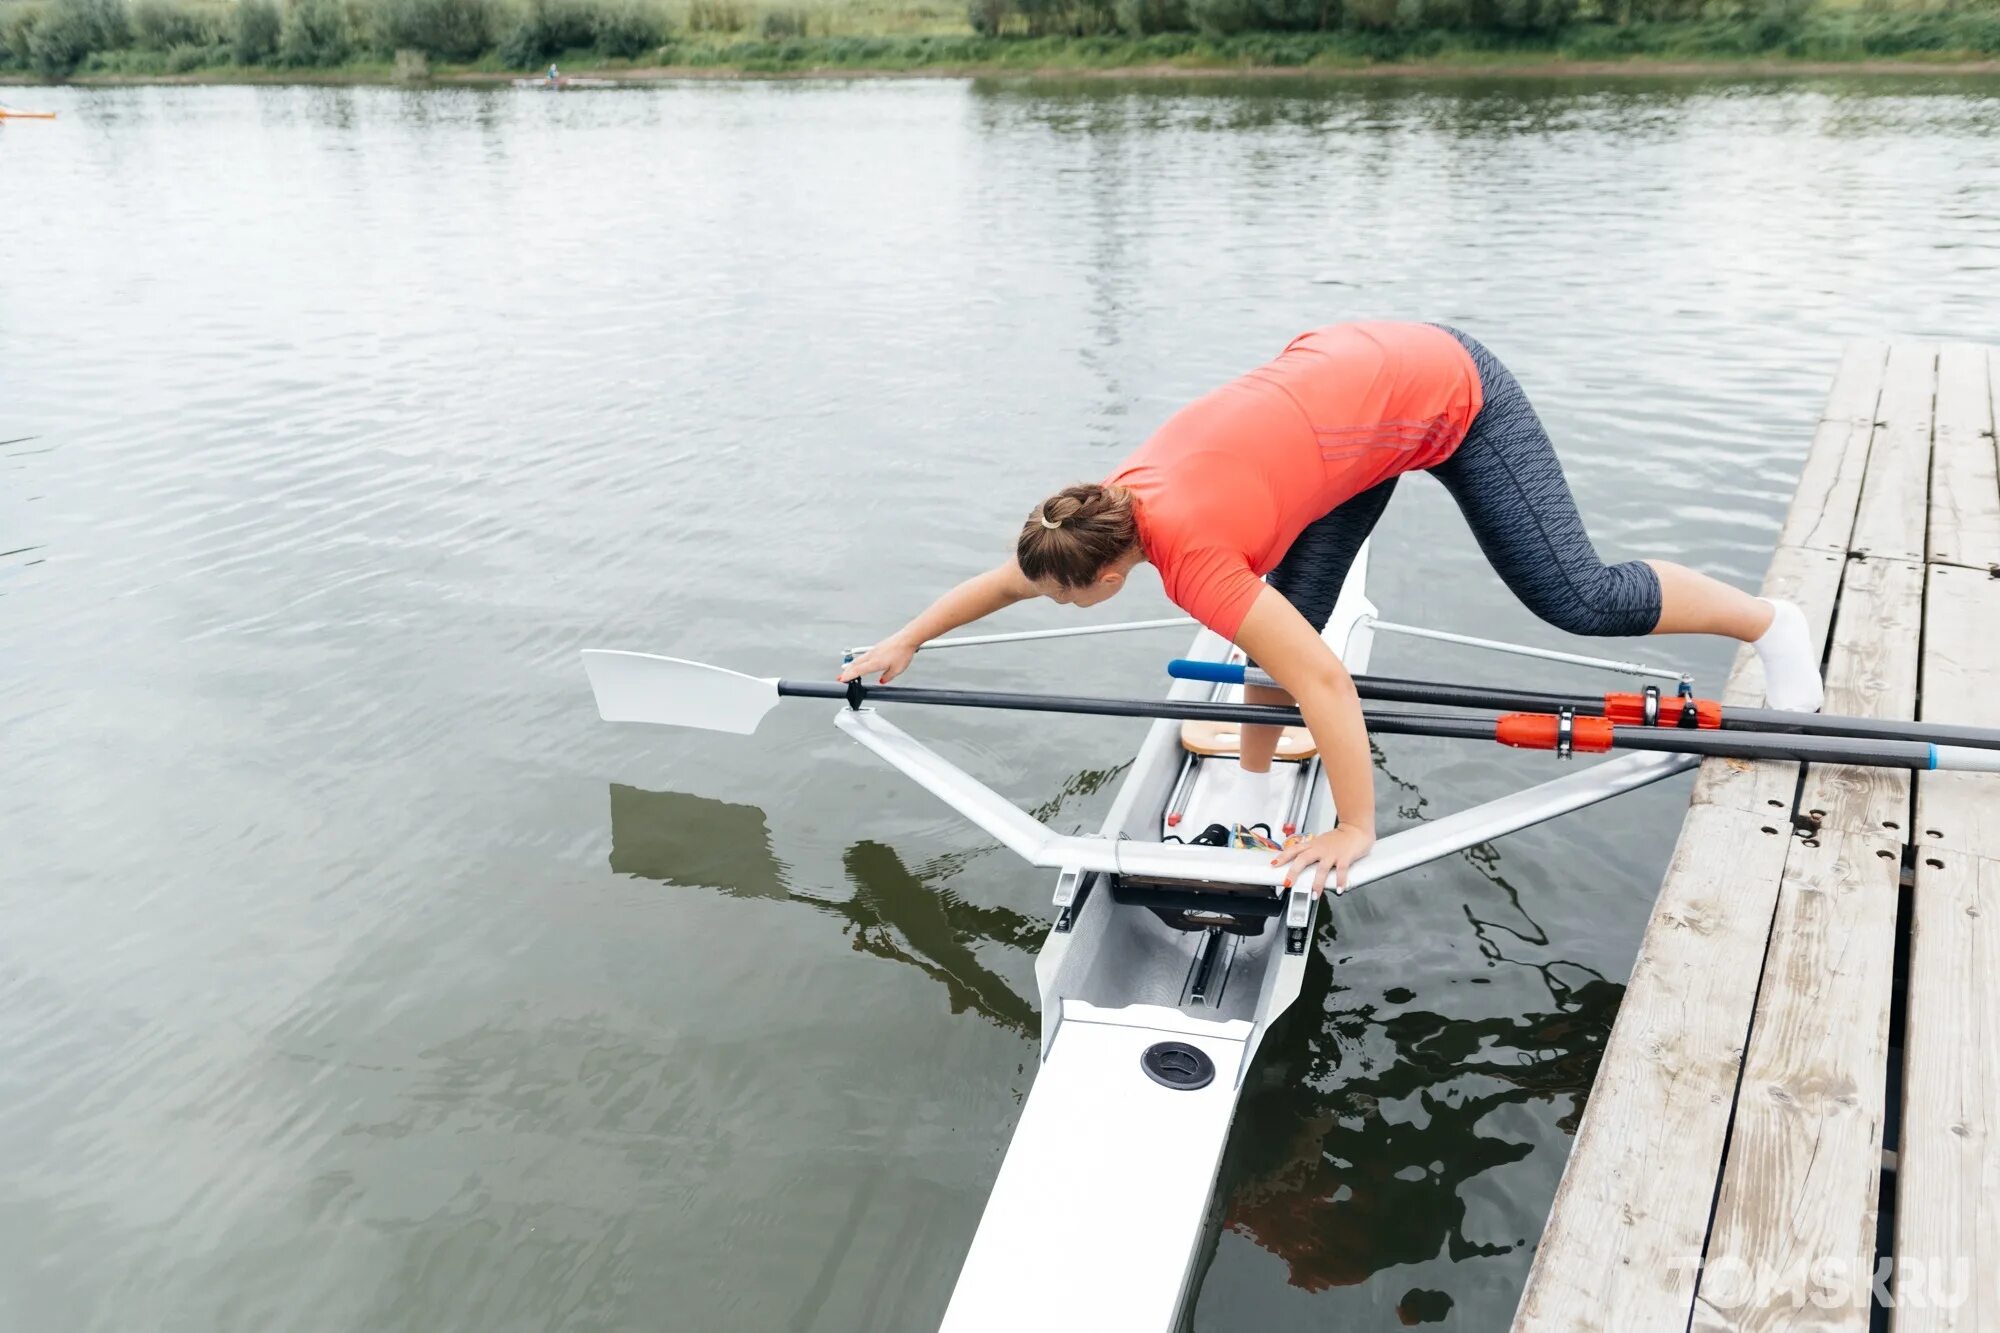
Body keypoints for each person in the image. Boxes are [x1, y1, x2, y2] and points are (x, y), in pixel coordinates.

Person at [839, 322, 1823, 893]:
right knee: (1289, 609)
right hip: (1343, 402)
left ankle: (1769, 622)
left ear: (1105, 576)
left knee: (1574, 595)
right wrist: (906, 638)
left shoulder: (1193, 562)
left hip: (1444, 391)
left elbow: (1320, 679)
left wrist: (1356, 828)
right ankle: (1253, 787)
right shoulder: (1098, 510)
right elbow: (1006, 580)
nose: (1049, 602)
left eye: (1064, 600)